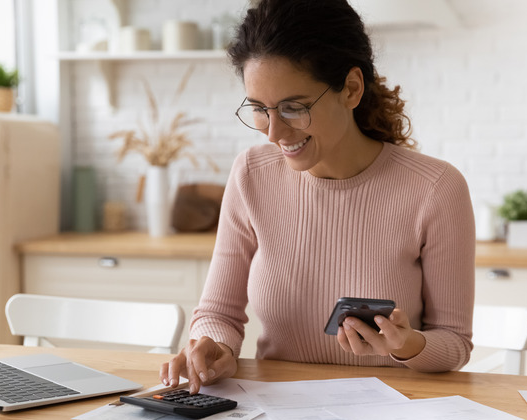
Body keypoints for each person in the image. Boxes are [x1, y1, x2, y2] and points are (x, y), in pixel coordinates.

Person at [160, 0, 475, 394]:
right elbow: (219, 312)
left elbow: (455, 343)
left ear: (352, 89)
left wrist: (407, 345)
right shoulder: (251, 175)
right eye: (259, 108)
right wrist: (213, 346)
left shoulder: (436, 188)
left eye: (294, 107)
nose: (273, 132)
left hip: (393, 410)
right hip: (276, 410)